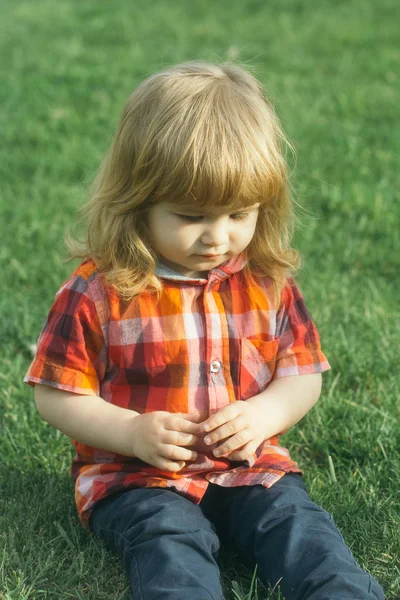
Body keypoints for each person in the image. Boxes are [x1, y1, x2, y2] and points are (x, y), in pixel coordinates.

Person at [24, 61, 384, 600]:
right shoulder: (100, 291)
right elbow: (57, 394)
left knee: (304, 534)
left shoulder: (267, 283)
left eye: (240, 214)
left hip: (251, 468)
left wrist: (266, 413)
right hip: (140, 480)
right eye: (192, 216)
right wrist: (130, 432)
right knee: (171, 545)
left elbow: (302, 374)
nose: (218, 237)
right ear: (138, 201)